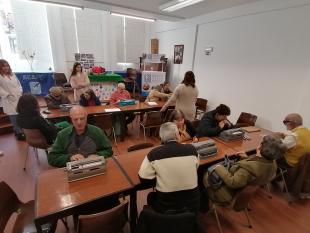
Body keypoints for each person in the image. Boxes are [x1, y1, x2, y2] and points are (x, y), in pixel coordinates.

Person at [203, 135, 286, 205]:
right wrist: (247, 158)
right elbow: (258, 166)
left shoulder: (248, 168)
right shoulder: (273, 163)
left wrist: (219, 167)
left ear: (260, 147)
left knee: (205, 173)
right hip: (244, 191)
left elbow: (232, 183)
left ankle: (204, 204)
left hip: (229, 193)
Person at [138, 122, 200, 213]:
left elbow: (143, 178)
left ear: (161, 138)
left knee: (151, 196)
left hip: (166, 206)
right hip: (193, 205)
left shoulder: (154, 154)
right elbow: (196, 168)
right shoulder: (192, 150)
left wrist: (160, 178)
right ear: (177, 135)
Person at [47, 106, 113, 167]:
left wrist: (98, 155)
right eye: (75, 119)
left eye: (82, 119)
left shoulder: (97, 131)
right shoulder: (62, 134)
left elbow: (109, 150)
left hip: (94, 166)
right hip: (72, 169)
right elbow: (52, 158)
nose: (79, 122)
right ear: (71, 119)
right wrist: (69, 158)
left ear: (86, 117)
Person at [0, 59, 24, 140]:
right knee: (14, 117)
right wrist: (7, 95)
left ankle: (20, 130)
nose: (6, 67)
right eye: (3, 66)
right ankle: (18, 133)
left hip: (18, 97)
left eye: (7, 66)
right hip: (8, 100)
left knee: (20, 116)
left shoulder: (13, 74)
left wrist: (20, 91)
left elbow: (19, 84)